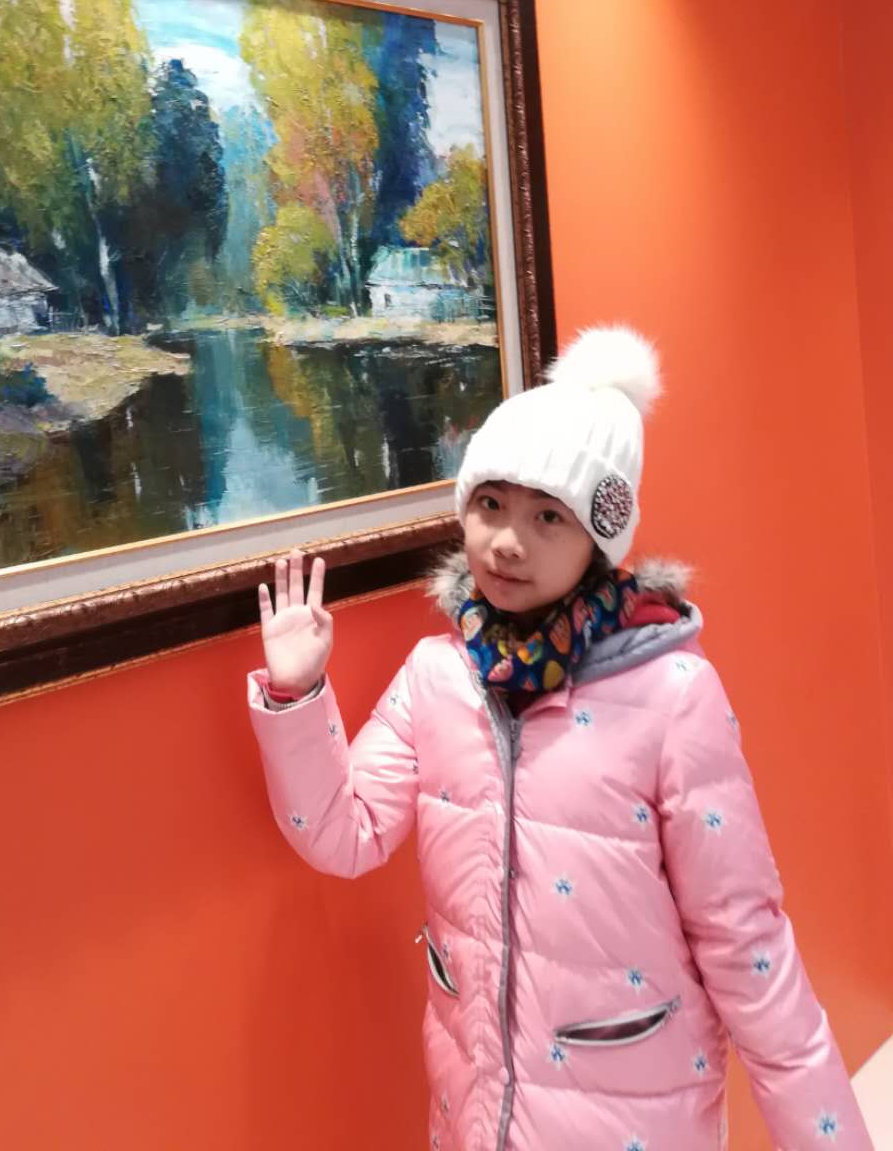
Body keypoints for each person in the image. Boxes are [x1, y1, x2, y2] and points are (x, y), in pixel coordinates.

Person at [247, 326, 872, 1150]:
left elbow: (747, 948)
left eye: (549, 516)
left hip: (632, 1115)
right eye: (491, 504)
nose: (508, 541)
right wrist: (297, 693)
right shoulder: (438, 676)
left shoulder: (672, 695)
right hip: (474, 1112)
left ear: (599, 540)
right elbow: (342, 832)